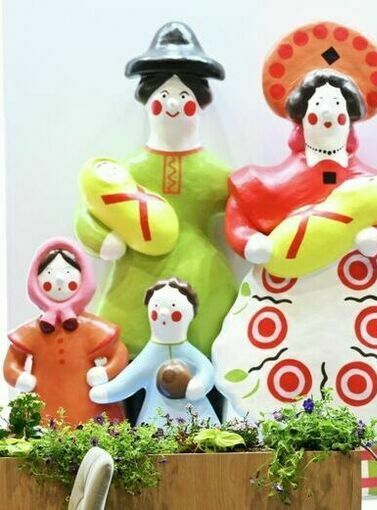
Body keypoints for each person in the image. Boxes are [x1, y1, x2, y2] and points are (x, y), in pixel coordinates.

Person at [213, 21, 377, 496]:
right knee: (282, 369)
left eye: (337, 108)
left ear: (351, 118)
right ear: (301, 118)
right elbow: (241, 215)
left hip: (359, 286)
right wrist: (250, 242)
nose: (328, 116)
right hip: (286, 293)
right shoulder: (267, 183)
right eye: (318, 108)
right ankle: (288, 469)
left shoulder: (372, 186)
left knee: (372, 367)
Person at [74, 22, 236, 422]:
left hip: (205, 284)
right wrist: (103, 237)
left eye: (184, 97)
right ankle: (131, 427)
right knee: (129, 351)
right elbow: (90, 214)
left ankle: (213, 432)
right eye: (164, 96)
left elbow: (242, 203)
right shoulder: (127, 172)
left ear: (200, 103)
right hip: (134, 284)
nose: (174, 105)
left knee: (210, 352)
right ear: (147, 102)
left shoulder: (213, 173)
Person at [4, 238, 128, 424]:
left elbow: (118, 352)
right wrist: (19, 377)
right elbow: (12, 361)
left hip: (89, 407)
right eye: (50, 274)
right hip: (44, 405)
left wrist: (106, 372)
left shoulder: (91, 326)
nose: (59, 279)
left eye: (67, 273)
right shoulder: (34, 330)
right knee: (42, 427)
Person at [90, 278, 219, 427]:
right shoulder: (150, 356)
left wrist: (200, 384)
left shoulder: (189, 353)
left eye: (173, 307)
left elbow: (207, 370)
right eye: (157, 307)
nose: (163, 312)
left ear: (189, 314)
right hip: (157, 423)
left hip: (198, 420)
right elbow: (129, 379)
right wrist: (106, 392)